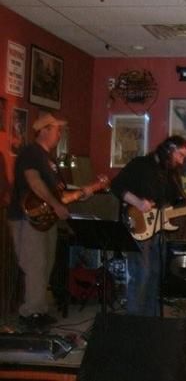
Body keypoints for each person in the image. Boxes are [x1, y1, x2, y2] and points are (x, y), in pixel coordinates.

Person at [111, 135, 186, 316]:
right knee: (141, 274)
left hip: (158, 230)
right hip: (138, 225)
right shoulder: (141, 164)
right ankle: (134, 321)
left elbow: (180, 206)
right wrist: (138, 202)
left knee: (155, 275)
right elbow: (116, 185)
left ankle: (151, 320)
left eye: (184, 157)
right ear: (169, 149)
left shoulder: (170, 173)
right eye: (180, 155)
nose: (181, 161)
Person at [8, 113, 90, 329]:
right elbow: (34, 182)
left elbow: (59, 193)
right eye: (56, 129)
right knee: (35, 265)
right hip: (28, 217)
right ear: (44, 130)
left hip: (45, 219)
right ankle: (30, 314)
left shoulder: (50, 160)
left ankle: (39, 310)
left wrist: (82, 193)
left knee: (46, 264)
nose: (59, 134)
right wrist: (56, 205)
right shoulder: (30, 152)